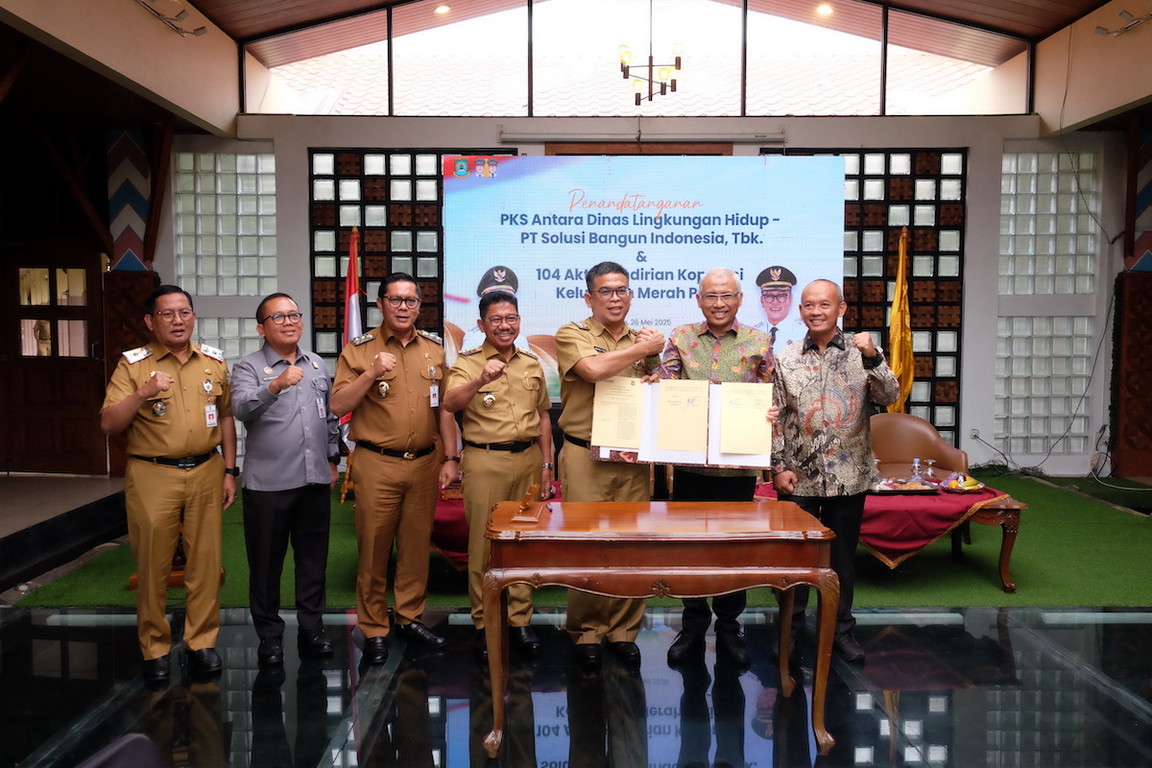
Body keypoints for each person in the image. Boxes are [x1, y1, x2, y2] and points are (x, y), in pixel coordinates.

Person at [99, 284, 237, 683]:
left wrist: (230, 469)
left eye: (184, 312)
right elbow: (109, 424)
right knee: (153, 564)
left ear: (193, 316)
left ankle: (201, 642)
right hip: (152, 473)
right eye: (167, 314)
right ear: (150, 321)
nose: (178, 321)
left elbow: (226, 416)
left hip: (207, 472)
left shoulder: (212, 361)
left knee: (206, 564)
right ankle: (155, 647)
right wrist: (143, 392)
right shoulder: (133, 365)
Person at [330, 273, 459, 665]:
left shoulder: (434, 351)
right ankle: (373, 628)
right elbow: (338, 406)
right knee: (373, 549)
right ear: (381, 304)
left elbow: (445, 411)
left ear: (420, 306)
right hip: (376, 463)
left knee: (416, 548)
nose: (404, 307)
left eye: (411, 301)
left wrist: (451, 458)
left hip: (423, 463)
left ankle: (409, 617)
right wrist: (370, 372)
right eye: (395, 300)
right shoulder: (359, 349)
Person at [770, 279, 900, 663]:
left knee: (842, 559)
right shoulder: (787, 357)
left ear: (840, 309)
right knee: (794, 560)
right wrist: (778, 466)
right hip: (798, 477)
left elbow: (890, 396)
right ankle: (790, 633)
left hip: (849, 475)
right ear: (801, 311)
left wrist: (875, 356)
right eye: (808, 305)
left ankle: (841, 631)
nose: (815, 311)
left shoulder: (863, 353)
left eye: (824, 305)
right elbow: (775, 418)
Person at [657, 268, 773, 669]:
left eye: (727, 295)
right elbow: (663, 383)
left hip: (738, 472)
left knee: (732, 551)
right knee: (689, 550)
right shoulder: (681, 338)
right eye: (711, 296)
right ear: (699, 299)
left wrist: (771, 411)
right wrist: (648, 389)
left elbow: (772, 395)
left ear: (740, 299)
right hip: (690, 468)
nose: (719, 303)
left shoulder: (760, 341)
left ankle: (728, 627)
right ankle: (692, 624)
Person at [555, 261, 665, 672]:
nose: (615, 298)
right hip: (585, 455)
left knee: (630, 545)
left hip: (633, 457)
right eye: (606, 291)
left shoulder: (645, 339)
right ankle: (586, 630)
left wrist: (655, 375)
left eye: (621, 290)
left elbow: (660, 388)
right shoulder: (573, 334)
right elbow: (592, 370)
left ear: (630, 295)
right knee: (586, 545)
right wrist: (643, 350)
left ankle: (623, 631)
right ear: (589, 297)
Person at [443, 290, 553, 660]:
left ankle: (520, 622)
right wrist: (479, 380)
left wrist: (546, 464)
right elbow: (449, 403)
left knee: (523, 545)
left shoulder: (530, 363)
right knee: (485, 547)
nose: (505, 326)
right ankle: (483, 623)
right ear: (481, 325)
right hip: (485, 461)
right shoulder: (469, 362)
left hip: (528, 462)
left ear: (519, 321)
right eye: (496, 320)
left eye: (511, 319)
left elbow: (542, 417)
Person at [231, 293, 340, 667]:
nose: (290, 321)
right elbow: (241, 408)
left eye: (294, 314)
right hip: (268, 486)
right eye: (279, 317)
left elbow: (328, 418)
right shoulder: (247, 367)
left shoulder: (315, 364)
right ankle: (270, 635)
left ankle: (312, 626)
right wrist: (275, 385)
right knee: (265, 564)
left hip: (313, 481)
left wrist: (332, 459)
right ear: (261, 328)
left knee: (313, 560)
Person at [757, 265, 802, 347]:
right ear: (762, 301)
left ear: (790, 299)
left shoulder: (804, 334)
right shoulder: (753, 333)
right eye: (769, 296)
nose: (775, 302)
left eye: (781, 296)